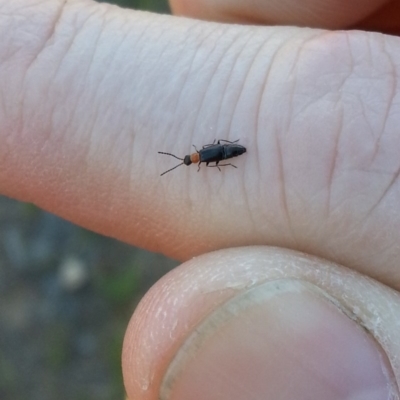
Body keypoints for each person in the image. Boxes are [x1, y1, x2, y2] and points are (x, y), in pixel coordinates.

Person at [0, 0, 399, 398]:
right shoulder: (205, 156)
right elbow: (216, 151)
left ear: (194, 157)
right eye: (191, 159)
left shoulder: (203, 158)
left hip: (229, 149)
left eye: (190, 159)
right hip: (228, 148)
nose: (193, 160)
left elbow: (215, 153)